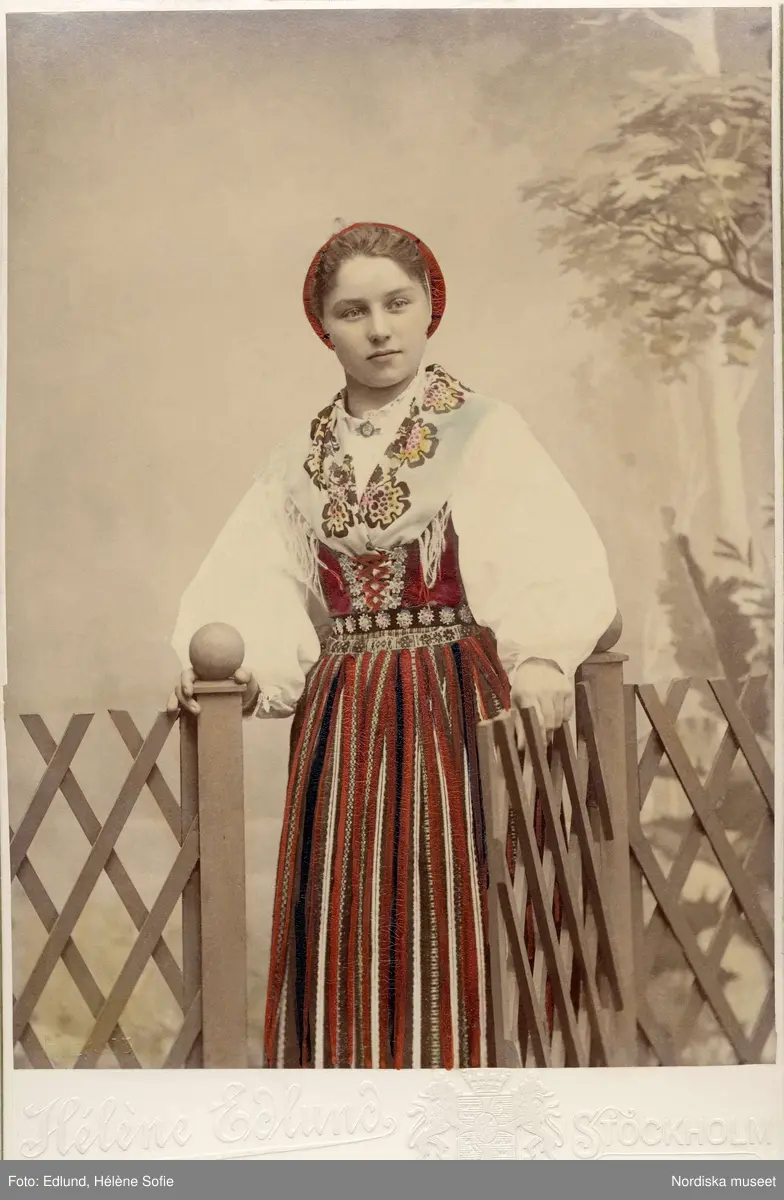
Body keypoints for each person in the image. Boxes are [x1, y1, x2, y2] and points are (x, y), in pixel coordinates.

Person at [169, 221, 617, 1070]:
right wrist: (235, 667)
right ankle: (354, 1099)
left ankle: (471, 1103)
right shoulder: (301, 457)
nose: (379, 329)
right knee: (349, 903)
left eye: (397, 304)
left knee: (460, 899)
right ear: (324, 328)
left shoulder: (482, 428)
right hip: (343, 716)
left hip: (456, 701)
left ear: (429, 309)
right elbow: (253, 578)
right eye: (353, 312)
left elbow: (542, 546)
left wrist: (542, 654)